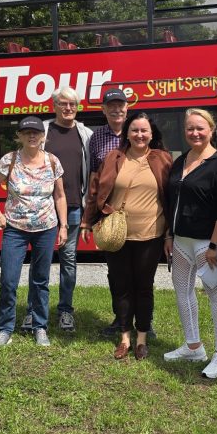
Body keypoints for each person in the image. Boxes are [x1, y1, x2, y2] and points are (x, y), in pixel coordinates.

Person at [81, 112, 172, 360]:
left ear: (152, 134)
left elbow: (171, 198)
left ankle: (142, 338)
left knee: (144, 287)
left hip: (150, 235)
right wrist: (87, 222)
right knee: (120, 286)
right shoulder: (114, 157)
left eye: (144, 131)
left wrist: (169, 235)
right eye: (134, 130)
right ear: (127, 133)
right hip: (116, 235)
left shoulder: (163, 159)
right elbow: (95, 189)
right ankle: (124, 337)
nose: (139, 135)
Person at [163, 109, 217, 379]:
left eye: (200, 128)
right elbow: (173, 202)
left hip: (209, 243)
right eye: (190, 128)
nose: (195, 133)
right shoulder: (180, 161)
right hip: (181, 240)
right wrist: (169, 235)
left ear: (211, 129)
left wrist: (215, 245)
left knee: (215, 293)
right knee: (182, 291)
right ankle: (193, 346)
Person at [0, 115, 68, 348]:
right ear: (19, 136)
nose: (32, 135)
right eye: (26, 132)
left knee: (40, 281)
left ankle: (40, 327)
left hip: (46, 229)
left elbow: (60, 196)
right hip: (14, 229)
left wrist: (63, 226)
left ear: (43, 136)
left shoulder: (52, 161)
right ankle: (5, 329)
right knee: (9, 280)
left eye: (36, 132)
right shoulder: (9, 160)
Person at [20, 87, 92, 335]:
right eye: (63, 103)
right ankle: (32, 311)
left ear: (78, 106)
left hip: (72, 207)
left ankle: (65, 311)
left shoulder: (85, 134)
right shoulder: (43, 131)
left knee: (68, 262)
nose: (68, 108)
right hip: (40, 208)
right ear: (54, 105)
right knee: (39, 263)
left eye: (72, 104)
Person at [88, 87, 129, 336]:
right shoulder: (96, 138)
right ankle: (120, 318)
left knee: (142, 271)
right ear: (103, 109)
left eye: (120, 105)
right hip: (109, 214)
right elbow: (94, 178)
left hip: (138, 212)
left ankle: (145, 321)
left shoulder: (139, 131)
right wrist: (90, 216)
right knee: (115, 271)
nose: (116, 109)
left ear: (127, 108)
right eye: (111, 106)